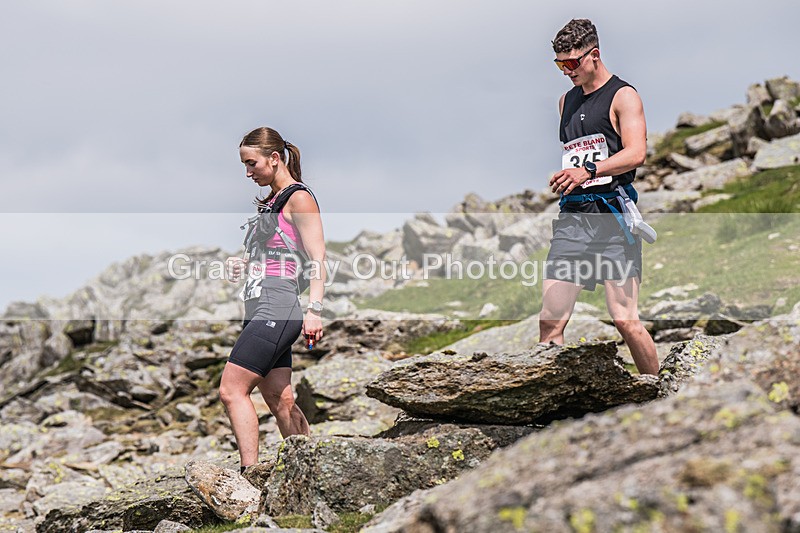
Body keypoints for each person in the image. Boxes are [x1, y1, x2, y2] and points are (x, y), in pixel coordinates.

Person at [539, 19, 659, 375]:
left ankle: (662, 395)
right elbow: (575, 153)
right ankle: (550, 411)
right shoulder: (566, 102)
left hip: (614, 219)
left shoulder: (624, 96)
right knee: (550, 323)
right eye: (560, 65)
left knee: (625, 320)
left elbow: (636, 153)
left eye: (572, 63)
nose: (566, 72)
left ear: (594, 55)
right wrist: (568, 176)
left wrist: (588, 171)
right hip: (574, 219)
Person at [221, 127, 325, 472]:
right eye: (244, 165)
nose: (248, 173)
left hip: (278, 306)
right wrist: (246, 262)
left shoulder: (299, 198)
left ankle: (248, 476)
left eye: (251, 164)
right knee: (280, 398)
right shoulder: (273, 201)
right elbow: (281, 252)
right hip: (261, 304)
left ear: (274, 158)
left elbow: (317, 259)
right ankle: (310, 472)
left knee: (232, 390)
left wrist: (315, 310)